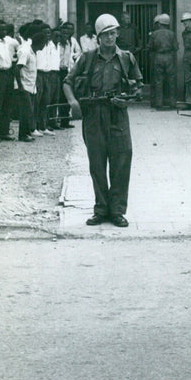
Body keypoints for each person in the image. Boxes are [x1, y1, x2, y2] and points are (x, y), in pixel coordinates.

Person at [63, 14, 143, 228]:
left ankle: (117, 211)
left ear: (118, 33)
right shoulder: (87, 58)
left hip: (118, 115)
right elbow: (67, 83)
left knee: (121, 162)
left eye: (113, 33)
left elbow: (138, 86)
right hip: (93, 116)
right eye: (105, 34)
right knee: (97, 164)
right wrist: (73, 103)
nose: (110, 37)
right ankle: (101, 209)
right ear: (98, 37)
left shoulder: (126, 58)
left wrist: (127, 99)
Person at [15, 23, 38, 142]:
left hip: (30, 85)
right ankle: (22, 134)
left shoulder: (32, 50)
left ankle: (27, 131)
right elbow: (17, 68)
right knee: (25, 111)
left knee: (29, 110)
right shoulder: (25, 50)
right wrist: (20, 86)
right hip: (24, 85)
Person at [149, 13, 177, 110]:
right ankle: (172, 102)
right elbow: (176, 47)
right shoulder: (172, 34)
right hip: (169, 57)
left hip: (158, 56)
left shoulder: (154, 34)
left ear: (159, 23)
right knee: (171, 81)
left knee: (158, 80)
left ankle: (158, 103)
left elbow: (150, 47)